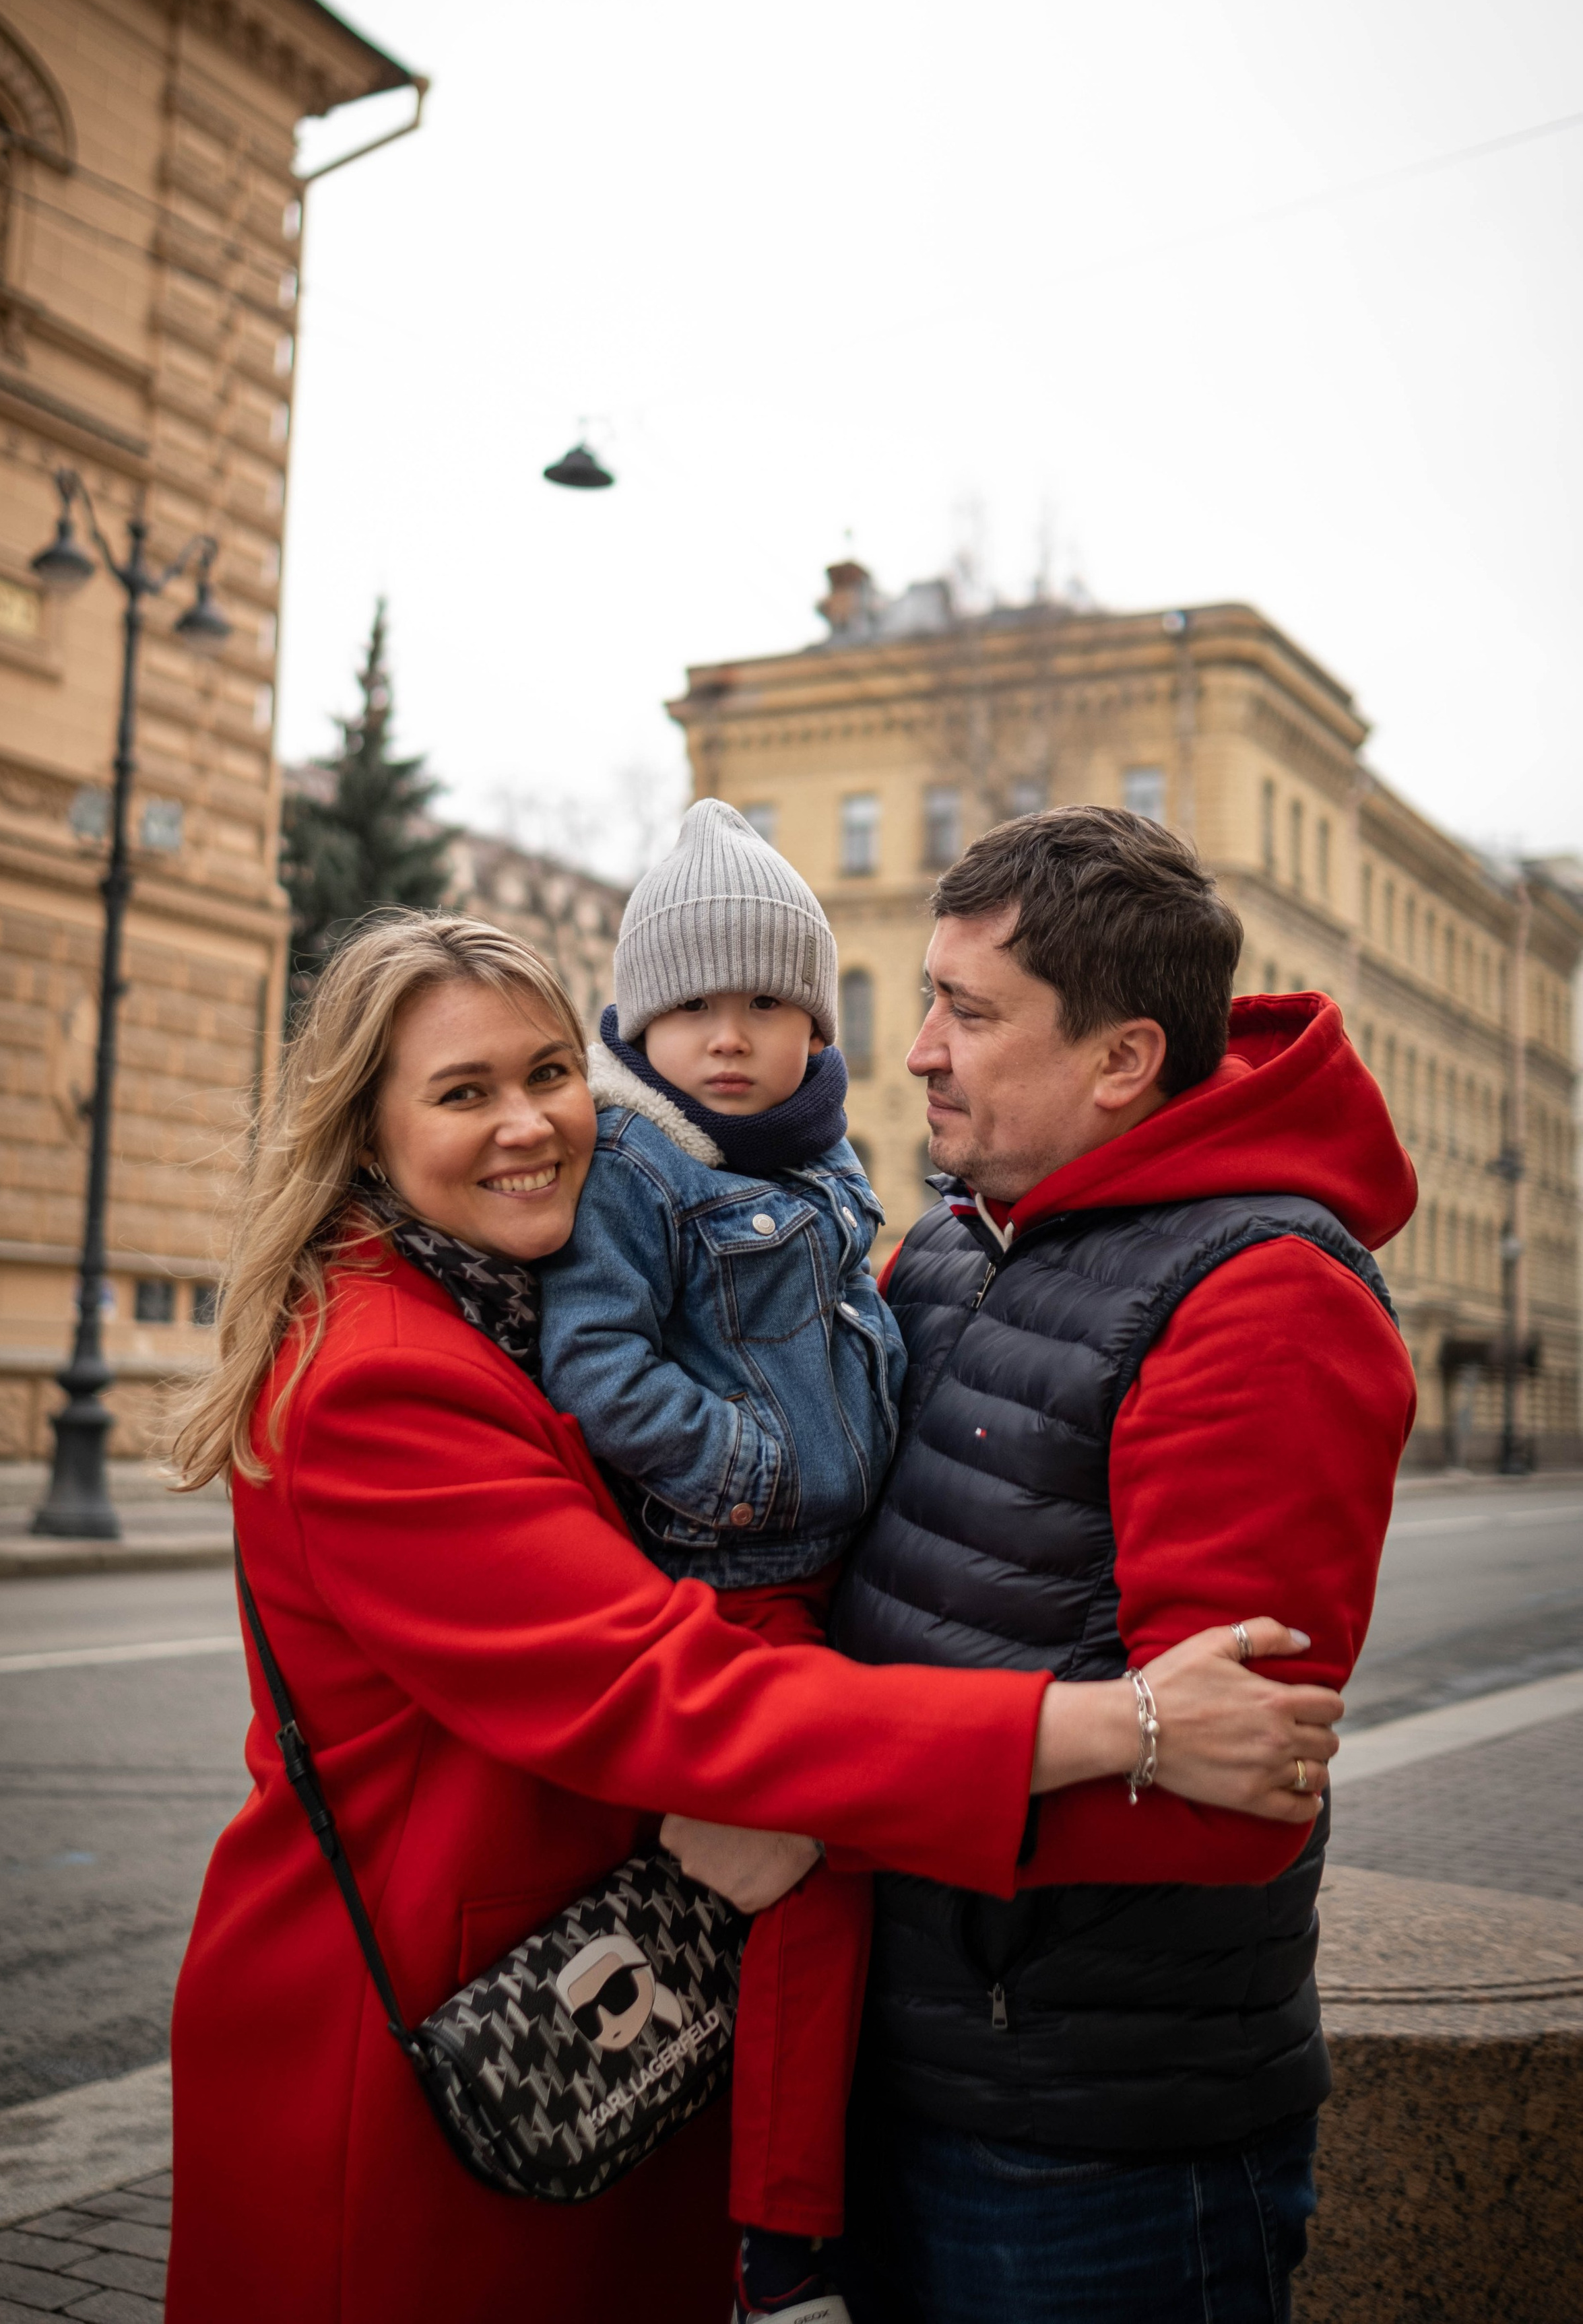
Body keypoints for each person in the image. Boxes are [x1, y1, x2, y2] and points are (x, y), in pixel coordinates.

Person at [164, 908, 1346, 2324]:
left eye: (549, 1074)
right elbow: (664, 1689)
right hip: (427, 2044)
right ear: (363, 1133)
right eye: (461, 1093)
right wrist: (1123, 1724)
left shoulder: (507, 1299)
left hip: (584, 2003)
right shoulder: (377, 1380)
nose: (530, 1124)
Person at [829, 805, 1419, 2324]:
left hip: (1093, 2148)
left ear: (1120, 1059)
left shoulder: (1260, 1298)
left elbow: (1220, 1797)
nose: (918, 1053)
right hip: (904, 2062)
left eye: (966, 1013)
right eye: (925, 1001)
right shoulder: (958, 1241)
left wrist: (825, 1792)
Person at [539, 799, 901, 2324]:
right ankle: (781, 2248)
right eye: (693, 1005)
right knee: (817, 1877)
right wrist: (753, 1468)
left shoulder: (829, 1162)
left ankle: (773, 2205)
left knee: (825, 1882)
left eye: (767, 1002)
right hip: (727, 1582)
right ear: (636, 1015)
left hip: (831, 1579)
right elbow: (593, 1366)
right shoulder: (636, 1167)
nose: (732, 1036)